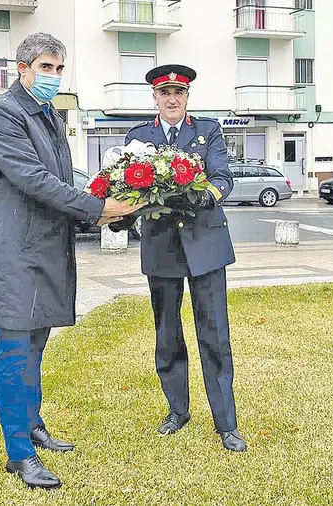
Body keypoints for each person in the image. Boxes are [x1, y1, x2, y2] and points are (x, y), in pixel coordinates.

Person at [0, 32, 146, 489]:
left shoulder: (49, 114)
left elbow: (63, 181)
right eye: (45, 68)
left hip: (46, 251)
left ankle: (32, 426)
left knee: (35, 348)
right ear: (22, 69)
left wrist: (109, 205)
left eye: (58, 69)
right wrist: (99, 208)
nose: (52, 76)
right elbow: (33, 180)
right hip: (13, 255)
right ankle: (19, 454)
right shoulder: (2, 116)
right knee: (13, 351)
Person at [123, 64, 246, 452]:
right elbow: (128, 186)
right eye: (165, 93)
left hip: (206, 245)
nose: (172, 99)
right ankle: (178, 410)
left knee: (214, 334)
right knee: (167, 335)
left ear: (187, 97)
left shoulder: (207, 130)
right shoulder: (138, 137)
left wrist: (208, 193)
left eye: (179, 93)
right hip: (161, 246)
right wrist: (119, 213)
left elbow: (223, 176)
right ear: (154, 98)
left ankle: (226, 422)